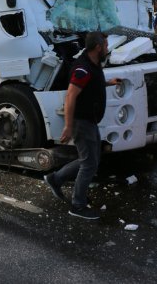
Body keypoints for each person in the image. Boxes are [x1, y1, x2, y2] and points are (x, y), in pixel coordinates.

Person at [43, 32, 121, 220]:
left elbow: (91, 84)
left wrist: (109, 83)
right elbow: (71, 96)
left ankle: (56, 178)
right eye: (106, 45)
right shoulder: (82, 68)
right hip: (81, 122)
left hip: (90, 120)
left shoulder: (92, 64)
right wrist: (68, 126)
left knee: (91, 160)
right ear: (98, 47)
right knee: (88, 163)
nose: (108, 48)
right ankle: (77, 205)